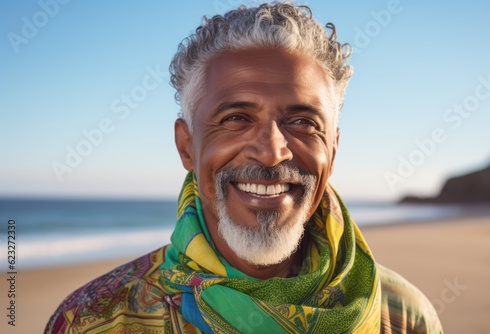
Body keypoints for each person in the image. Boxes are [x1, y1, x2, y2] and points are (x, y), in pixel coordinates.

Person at [45, 3, 443, 333]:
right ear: (187, 145)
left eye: (303, 122)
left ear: (332, 150)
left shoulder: (404, 317)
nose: (271, 153)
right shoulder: (95, 321)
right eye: (236, 118)